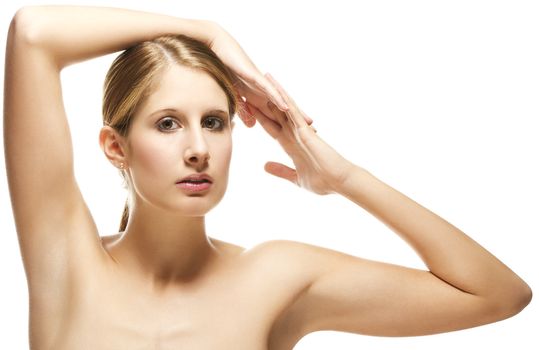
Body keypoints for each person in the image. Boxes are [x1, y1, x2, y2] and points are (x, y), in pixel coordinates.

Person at [3, 5, 531, 350]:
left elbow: (497, 295)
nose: (197, 149)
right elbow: (32, 35)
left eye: (214, 123)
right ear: (115, 147)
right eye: (168, 124)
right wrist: (205, 31)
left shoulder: (273, 277)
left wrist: (344, 178)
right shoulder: (66, 261)